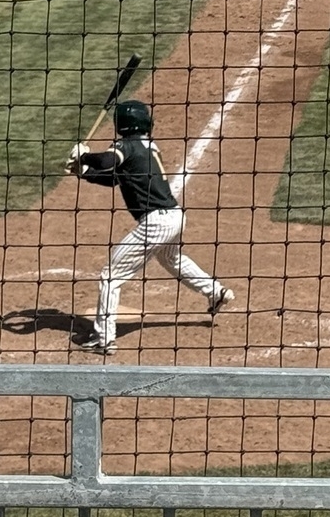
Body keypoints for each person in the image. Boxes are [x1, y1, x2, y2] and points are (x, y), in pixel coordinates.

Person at [63, 100, 233, 355]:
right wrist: (83, 171)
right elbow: (112, 179)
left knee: (110, 277)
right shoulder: (145, 146)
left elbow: (107, 160)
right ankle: (216, 292)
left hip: (155, 223)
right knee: (172, 260)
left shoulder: (126, 146)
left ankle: (104, 339)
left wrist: (84, 154)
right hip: (174, 217)